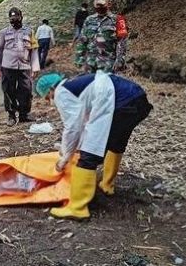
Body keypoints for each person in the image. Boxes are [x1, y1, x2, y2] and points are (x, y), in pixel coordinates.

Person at [35, 71, 153, 220]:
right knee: (116, 142)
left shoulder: (61, 92)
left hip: (121, 101)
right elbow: (83, 123)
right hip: (137, 98)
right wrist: (72, 148)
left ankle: (77, 207)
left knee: (88, 155)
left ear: (51, 90)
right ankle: (107, 185)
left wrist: (66, 157)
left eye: (47, 98)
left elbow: (72, 127)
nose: (49, 101)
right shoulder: (76, 84)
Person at [0, 7, 40, 126]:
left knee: (26, 91)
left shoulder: (29, 32)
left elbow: (34, 50)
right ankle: (11, 116)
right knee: (9, 91)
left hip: (24, 66)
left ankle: (24, 115)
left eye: (16, 17)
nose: (14, 20)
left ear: (21, 17)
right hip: (8, 67)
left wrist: (35, 67)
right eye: (12, 18)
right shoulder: (3, 33)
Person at [75, 0, 128, 73]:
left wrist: (119, 60)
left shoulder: (118, 20)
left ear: (109, 4)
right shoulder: (89, 19)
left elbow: (121, 42)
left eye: (101, 4)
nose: (99, 7)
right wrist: (79, 58)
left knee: (106, 86)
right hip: (89, 64)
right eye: (97, 4)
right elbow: (83, 40)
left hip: (108, 64)